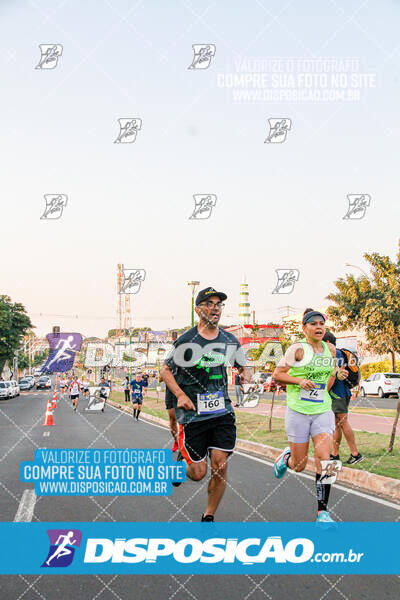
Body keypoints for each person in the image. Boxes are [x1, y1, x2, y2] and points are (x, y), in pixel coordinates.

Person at [160, 286, 250, 522]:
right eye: (209, 304)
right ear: (197, 309)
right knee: (198, 473)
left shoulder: (229, 339)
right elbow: (165, 370)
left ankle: (208, 515)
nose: (214, 308)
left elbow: (242, 365)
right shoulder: (186, 340)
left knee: (220, 465)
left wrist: (246, 374)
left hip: (222, 412)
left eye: (218, 304)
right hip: (193, 416)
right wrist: (180, 394)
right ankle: (182, 462)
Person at [272, 308, 348, 523]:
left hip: (322, 410)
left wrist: (337, 373)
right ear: (304, 328)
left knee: (327, 458)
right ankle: (287, 458)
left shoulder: (330, 349)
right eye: (313, 323)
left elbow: (328, 371)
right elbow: (277, 375)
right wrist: (299, 381)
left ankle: (322, 512)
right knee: (299, 465)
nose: (318, 327)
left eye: (321, 323)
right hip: (298, 412)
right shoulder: (297, 350)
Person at [323, 332, 364, 465]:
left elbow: (332, 375)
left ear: (328, 342)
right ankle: (335, 454)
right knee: (338, 424)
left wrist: (325, 392)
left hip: (336, 393)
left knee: (343, 422)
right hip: (343, 392)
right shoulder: (341, 353)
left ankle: (355, 453)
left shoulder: (333, 354)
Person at [165, 386, 179, 452]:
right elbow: (160, 379)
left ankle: (185, 443)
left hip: (185, 389)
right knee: (173, 419)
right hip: (170, 393)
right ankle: (176, 441)